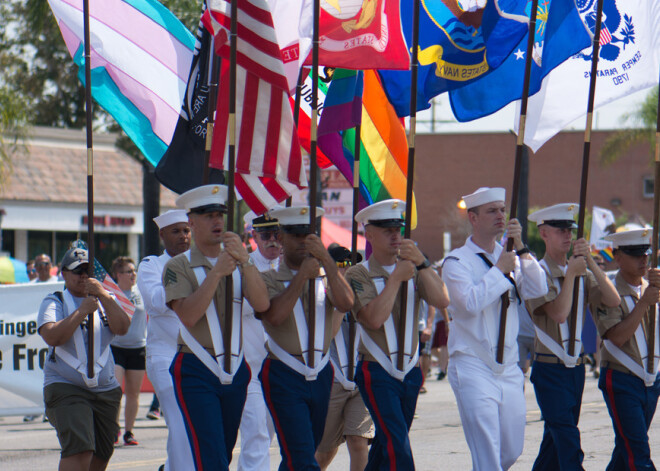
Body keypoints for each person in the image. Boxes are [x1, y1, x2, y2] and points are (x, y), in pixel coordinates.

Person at [164, 184, 270, 471]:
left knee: (222, 452)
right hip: (196, 367)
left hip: (235, 368)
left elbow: (261, 304)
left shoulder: (239, 261)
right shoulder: (178, 266)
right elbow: (188, 315)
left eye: (220, 214)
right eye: (207, 215)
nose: (217, 221)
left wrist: (245, 261)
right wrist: (217, 273)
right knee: (211, 458)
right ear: (191, 221)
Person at [442, 187, 548, 471]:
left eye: (502, 209)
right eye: (492, 211)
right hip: (473, 364)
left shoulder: (511, 256)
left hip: (509, 367)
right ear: (473, 218)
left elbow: (539, 289)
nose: (501, 215)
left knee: (512, 449)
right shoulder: (457, 262)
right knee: (487, 451)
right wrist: (499, 271)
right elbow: (468, 305)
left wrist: (522, 248)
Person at [345, 199, 450, 469]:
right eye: (386, 230)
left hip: (410, 371)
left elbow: (442, 300)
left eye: (398, 229)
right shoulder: (358, 273)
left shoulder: (415, 268)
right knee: (397, 446)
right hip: (377, 371)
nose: (395, 235)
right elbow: (373, 319)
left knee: (386, 443)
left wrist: (423, 264)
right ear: (369, 234)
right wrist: (395, 280)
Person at [257, 206, 355, 470]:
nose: (302, 241)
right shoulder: (267, 278)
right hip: (284, 371)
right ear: (280, 237)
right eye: (295, 234)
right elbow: (274, 316)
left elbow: (346, 303)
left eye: (308, 234)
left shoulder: (326, 277)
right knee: (301, 456)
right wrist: (301, 277)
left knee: (302, 454)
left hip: (321, 372)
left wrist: (328, 263)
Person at [526, 203, 620, 471]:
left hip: (575, 369)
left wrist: (589, 261)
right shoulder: (536, 273)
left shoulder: (581, 272)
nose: (567, 235)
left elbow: (612, 301)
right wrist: (571, 276)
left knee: (554, 444)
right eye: (560, 230)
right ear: (544, 233)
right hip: (549, 369)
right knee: (567, 439)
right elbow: (558, 313)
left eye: (570, 230)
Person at [38, 247, 130, 471]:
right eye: (77, 271)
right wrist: (81, 312)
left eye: (88, 270)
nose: (83, 276)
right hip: (65, 385)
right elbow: (52, 336)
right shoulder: (54, 301)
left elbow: (122, 327)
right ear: (64, 274)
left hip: (105, 388)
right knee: (80, 448)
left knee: (102, 452)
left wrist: (104, 296)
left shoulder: (106, 300)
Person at [594, 229, 660, 470]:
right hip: (622, 378)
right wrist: (644, 303)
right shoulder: (608, 291)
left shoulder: (653, 287)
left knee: (626, 451)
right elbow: (616, 338)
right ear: (618, 256)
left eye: (646, 253)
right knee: (638, 453)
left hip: (651, 380)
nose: (643, 260)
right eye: (635, 254)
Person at [137, 209, 194, 471]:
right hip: (166, 356)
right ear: (162, 235)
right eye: (176, 231)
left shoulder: (201, 263)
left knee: (194, 424)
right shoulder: (151, 265)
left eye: (186, 230)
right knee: (180, 421)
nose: (183, 236)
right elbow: (157, 303)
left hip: (198, 356)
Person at [315, 245, 374, 471]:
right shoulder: (321, 294)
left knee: (358, 441)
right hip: (332, 379)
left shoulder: (363, 292)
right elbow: (327, 334)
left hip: (360, 376)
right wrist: (342, 302)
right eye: (341, 265)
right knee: (324, 450)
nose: (347, 270)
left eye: (352, 264)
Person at [237, 209, 281, 471]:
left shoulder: (292, 269)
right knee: (256, 434)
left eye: (278, 233)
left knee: (269, 435)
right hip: (251, 368)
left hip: (284, 368)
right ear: (253, 235)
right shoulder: (241, 269)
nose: (273, 240)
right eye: (266, 234)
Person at [109, 256, 146, 447]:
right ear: (118, 274)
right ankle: (113, 427)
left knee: (133, 393)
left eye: (134, 270)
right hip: (117, 347)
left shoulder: (141, 292)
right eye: (128, 271)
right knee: (116, 388)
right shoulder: (112, 293)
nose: (133, 274)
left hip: (138, 347)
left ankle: (129, 432)